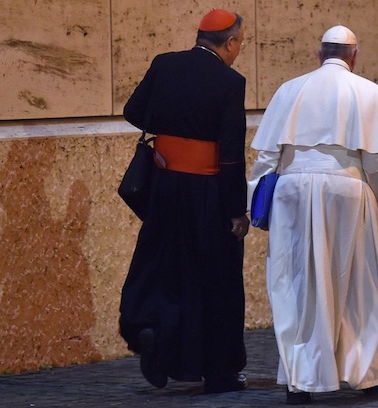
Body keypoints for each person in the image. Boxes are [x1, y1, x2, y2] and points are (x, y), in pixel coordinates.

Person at [247, 25, 378, 405]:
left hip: (291, 191)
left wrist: (254, 204)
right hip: (347, 190)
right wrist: (377, 198)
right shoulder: (368, 91)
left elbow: (266, 157)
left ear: (319, 54)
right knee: (362, 285)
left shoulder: (289, 90)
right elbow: (377, 159)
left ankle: (300, 381)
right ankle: (370, 374)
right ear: (354, 56)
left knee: (296, 285)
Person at [118, 9, 250, 394]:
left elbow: (133, 111)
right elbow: (230, 155)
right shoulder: (230, 82)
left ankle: (153, 332)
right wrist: (236, 211)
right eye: (240, 43)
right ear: (230, 42)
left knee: (164, 269)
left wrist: (172, 130)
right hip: (208, 195)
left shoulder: (165, 64)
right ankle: (219, 373)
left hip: (164, 187)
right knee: (216, 280)